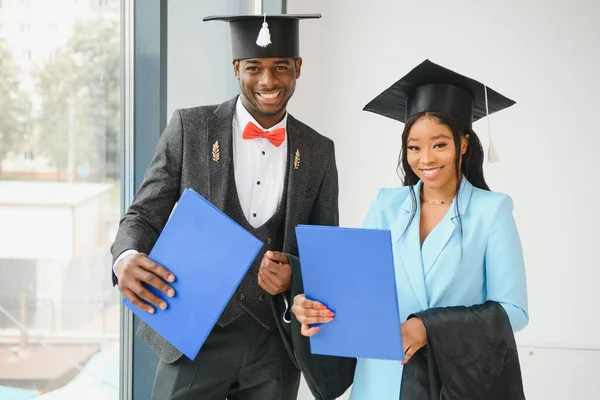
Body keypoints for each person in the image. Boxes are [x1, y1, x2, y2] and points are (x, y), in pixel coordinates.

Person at [110, 13, 339, 400]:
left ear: (298, 68)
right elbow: (144, 214)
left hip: (275, 345)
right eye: (255, 67)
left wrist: (294, 277)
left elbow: (325, 253)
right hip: (193, 334)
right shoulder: (190, 128)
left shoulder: (319, 150)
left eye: (280, 67)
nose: (268, 81)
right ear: (236, 68)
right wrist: (125, 257)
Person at [290, 59, 529, 399]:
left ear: (463, 143)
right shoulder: (386, 206)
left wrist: (428, 327)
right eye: (414, 147)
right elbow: (358, 293)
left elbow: (514, 312)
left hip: (453, 381)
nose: (426, 159)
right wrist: (309, 305)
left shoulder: (492, 211)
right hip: (381, 381)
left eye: (439, 144)